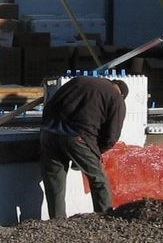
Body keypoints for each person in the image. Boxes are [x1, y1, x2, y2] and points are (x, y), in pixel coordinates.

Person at [39, 75, 127, 218]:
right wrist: (95, 152)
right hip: (78, 136)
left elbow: (50, 104)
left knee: (54, 182)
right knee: (99, 180)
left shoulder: (79, 80)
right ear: (122, 95)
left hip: (49, 132)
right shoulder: (116, 97)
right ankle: (106, 218)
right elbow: (112, 136)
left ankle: (57, 221)